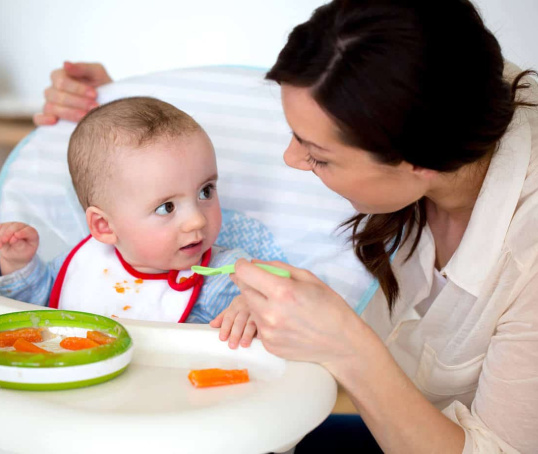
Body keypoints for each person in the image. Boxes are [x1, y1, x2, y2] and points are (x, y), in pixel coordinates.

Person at [32, 0, 538, 452]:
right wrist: (116, 100)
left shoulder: (526, 257)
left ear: (417, 162)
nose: (290, 159)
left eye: (316, 156)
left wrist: (347, 347)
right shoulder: (453, 82)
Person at [0, 96, 258, 347]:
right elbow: (36, 312)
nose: (196, 220)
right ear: (104, 226)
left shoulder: (225, 275)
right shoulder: (87, 263)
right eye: (166, 207)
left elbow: (278, 311)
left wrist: (255, 307)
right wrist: (18, 266)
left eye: (206, 191)